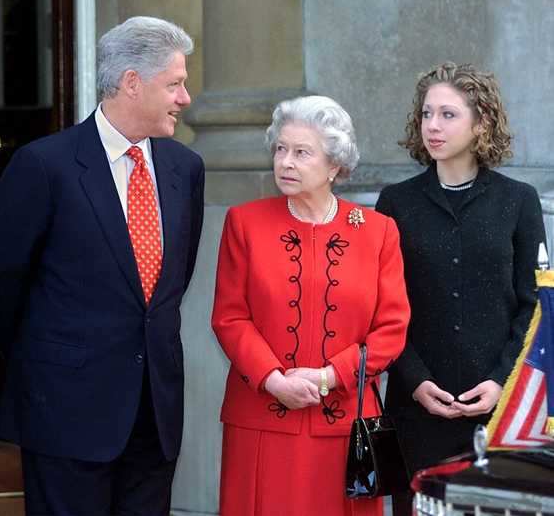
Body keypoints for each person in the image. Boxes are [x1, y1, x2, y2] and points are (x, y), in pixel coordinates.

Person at [0, 16, 204, 516]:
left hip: (155, 416)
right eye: (174, 84)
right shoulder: (44, 165)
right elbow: (0, 287)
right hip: (65, 416)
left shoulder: (185, 169)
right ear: (131, 82)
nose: (185, 98)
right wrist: (54, 364)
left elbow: (170, 285)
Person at [211, 95, 410, 516]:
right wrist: (273, 380)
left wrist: (328, 376)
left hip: (347, 429)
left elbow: (391, 329)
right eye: (280, 149)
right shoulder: (244, 223)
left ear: (334, 165)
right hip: (261, 421)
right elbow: (230, 317)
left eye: (302, 153)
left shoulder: (378, 231)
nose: (286, 162)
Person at [375, 62, 546, 515]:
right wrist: (414, 381)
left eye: (448, 115)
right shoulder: (396, 202)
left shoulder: (519, 201)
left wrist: (501, 381)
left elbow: (534, 306)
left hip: (499, 410)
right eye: (427, 113)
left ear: (481, 122)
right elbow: (382, 305)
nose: (432, 125)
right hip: (417, 410)